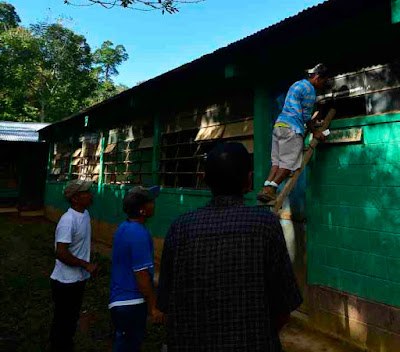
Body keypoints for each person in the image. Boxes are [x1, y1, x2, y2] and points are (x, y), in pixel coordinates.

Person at [157, 142, 302, 352]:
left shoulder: (180, 228)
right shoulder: (265, 226)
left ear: (204, 180)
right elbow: (284, 307)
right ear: (249, 181)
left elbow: (166, 304)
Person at [258, 63, 329, 204]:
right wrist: (315, 131)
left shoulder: (297, 84)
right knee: (289, 164)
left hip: (279, 125)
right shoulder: (310, 91)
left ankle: (265, 188)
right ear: (317, 77)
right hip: (292, 129)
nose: (322, 85)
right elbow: (305, 117)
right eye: (323, 81)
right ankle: (272, 189)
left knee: (276, 162)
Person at [109, 186, 165, 352]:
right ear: (142, 210)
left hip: (120, 300)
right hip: (131, 303)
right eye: (150, 202)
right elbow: (141, 277)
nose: (153, 204)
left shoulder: (124, 227)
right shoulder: (138, 234)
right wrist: (153, 307)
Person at [49, 179, 98, 352]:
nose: (91, 195)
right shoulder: (68, 220)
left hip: (77, 279)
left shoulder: (84, 214)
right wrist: (85, 265)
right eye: (86, 192)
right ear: (75, 198)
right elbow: (61, 252)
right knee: (63, 323)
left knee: (70, 321)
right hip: (65, 281)